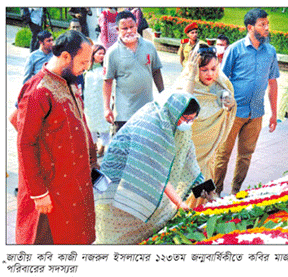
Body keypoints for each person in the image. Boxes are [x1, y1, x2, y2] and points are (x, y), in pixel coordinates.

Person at [15, 30, 98, 244]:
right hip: (50, 190)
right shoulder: (38, 91)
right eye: (83, 62)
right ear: (65, 57)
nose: (86, 68)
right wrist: (38, 193)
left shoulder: (69, 80)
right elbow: (26, 143)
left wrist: (92, 160)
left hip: (75, 183)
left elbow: (81, 120)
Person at [94, 91, 204, 244]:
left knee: (144, 224)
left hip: (149, 176)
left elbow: (190, 162)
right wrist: (180, 204)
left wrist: (208, 191)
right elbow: (156, 175)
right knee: (118, 229)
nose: (189, 123)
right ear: (174, 113)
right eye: (187, 119)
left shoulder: (178, 126)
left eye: (193, 119)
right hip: (120, 179)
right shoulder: (151, 127)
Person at [213, 8, 280, 196]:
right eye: (262, 24)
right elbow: (221, 82)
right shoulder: (234, 50)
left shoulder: (270, 52)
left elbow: (272, 83)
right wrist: (223, 109)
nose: (267, 28)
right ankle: (216, 194)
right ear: (250, 27)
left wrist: (274, 114)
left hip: (256, 113)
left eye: (267, 24)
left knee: (246, 156)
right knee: (223, 154)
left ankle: (236, 193)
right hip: (233, 113)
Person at [174, 45, 236, 207]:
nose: (210, 74)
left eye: (213, 69)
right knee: (187, 184)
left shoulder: (222, 84)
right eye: (204, 70)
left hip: (208, 149)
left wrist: (230, 105)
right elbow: (185, 104)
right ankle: (183, 214)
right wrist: (192, 74)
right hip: (188, 148)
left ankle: (201, 212)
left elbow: (229, 107)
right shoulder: (185, 83)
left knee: (204, 180)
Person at [103, 11, 164, 134]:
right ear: (117, 29)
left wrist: (163, 95)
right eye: (124, 28)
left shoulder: (149, 46)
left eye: (131, 27)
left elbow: (156, 72)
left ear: (136, 25)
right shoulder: (112, 53)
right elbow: (107, 81)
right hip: (124, 113)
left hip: (147, 110)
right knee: (123, 149)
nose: (129, 31)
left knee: (145, 146)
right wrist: (106, 108)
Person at [83, 44, 110, 157]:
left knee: (104, 124)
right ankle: (93, 146)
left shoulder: (106, 69)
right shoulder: (86, 69)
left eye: (103, 53)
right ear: (93, 55)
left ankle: (103, 147)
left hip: (101, 100)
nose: (102, 56)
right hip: (89, 101)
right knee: (90, 124)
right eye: (99, 53)